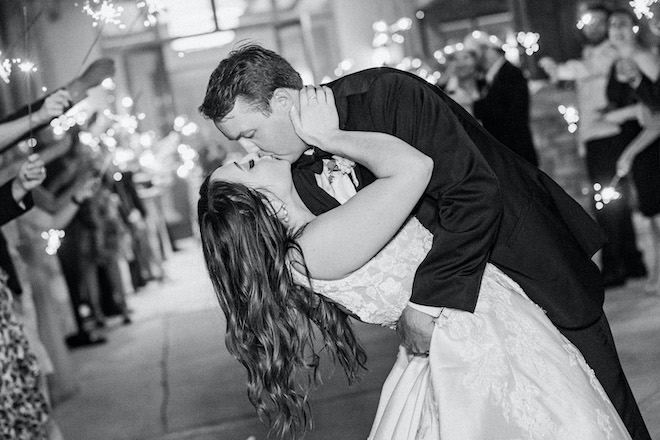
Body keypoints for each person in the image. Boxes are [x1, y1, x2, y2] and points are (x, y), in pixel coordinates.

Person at [199, 44, 651, 439]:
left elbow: (474, 194)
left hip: (527, 266)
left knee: (603, 413)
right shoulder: (296, 177)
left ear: (281, 100)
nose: (251, 150)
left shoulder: (386, 96)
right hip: (464, 332)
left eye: (249, 134)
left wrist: (423, 303)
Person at [539, 2, 648, 289]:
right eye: (590, 22)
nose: (595, 27)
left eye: (601, 22)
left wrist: (557, 69)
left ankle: (616, 266)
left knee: (608, 202)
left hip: (608, 133)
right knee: (613, 201)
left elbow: (584, 69)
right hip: (594, 135)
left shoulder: (610, 53)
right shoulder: (590, 53)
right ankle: (630, 260)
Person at [0, 155, 65, 440]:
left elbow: (51, 211)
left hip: (10, 298)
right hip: (19, 290)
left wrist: (18, 187)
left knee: (29, 387)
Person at [605, 8, 660, 293]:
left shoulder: (645, 56)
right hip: (637, 141)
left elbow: (656, 115)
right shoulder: (620, 60)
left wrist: (628, 152)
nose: (616, 28)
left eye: (622, 24)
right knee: (652, 215)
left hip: (649, 142)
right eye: (612, 24)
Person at [471, 36, 539, 166]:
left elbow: (507, 112)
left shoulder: (511, 74)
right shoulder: (491, 78)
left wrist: (474, 106)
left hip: (516, 153)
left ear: (489, 52)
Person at [440, 48, 481, 115]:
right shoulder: (443, 91)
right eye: (456, 59)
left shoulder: (485, 86)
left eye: (466, 57)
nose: (461, 64)